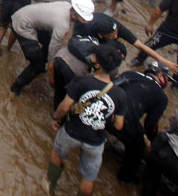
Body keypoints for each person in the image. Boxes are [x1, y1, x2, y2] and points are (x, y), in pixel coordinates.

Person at [45, 43, 126, 196]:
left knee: (57, 154)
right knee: (89, 177)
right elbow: (119, 125)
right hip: (96, 141)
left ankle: (50, 186)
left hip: (71, 131)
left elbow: (65, 107)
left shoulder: (81, 82)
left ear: (98, 65)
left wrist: (55, 118)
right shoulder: (120, 94)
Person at [10, 0, 95, 96]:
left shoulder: (66, 5)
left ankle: (40, 59)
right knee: (38, 64)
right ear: (74, 15)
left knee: (48, 43)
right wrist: (51, 70)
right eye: (84, 19)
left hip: (24, 14)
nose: (86, 22)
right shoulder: (63, 25)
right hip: (23, 25)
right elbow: (53, 50)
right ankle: (16, 86)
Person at [112, 61, 170, 184]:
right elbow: (150, 124)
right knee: (138, 146)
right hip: (124, 119)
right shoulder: (162, 96)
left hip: (104, 108)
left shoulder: (130, 73)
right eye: (167, 79)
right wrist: (153, 141)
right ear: (161, 76)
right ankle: (125, 177)